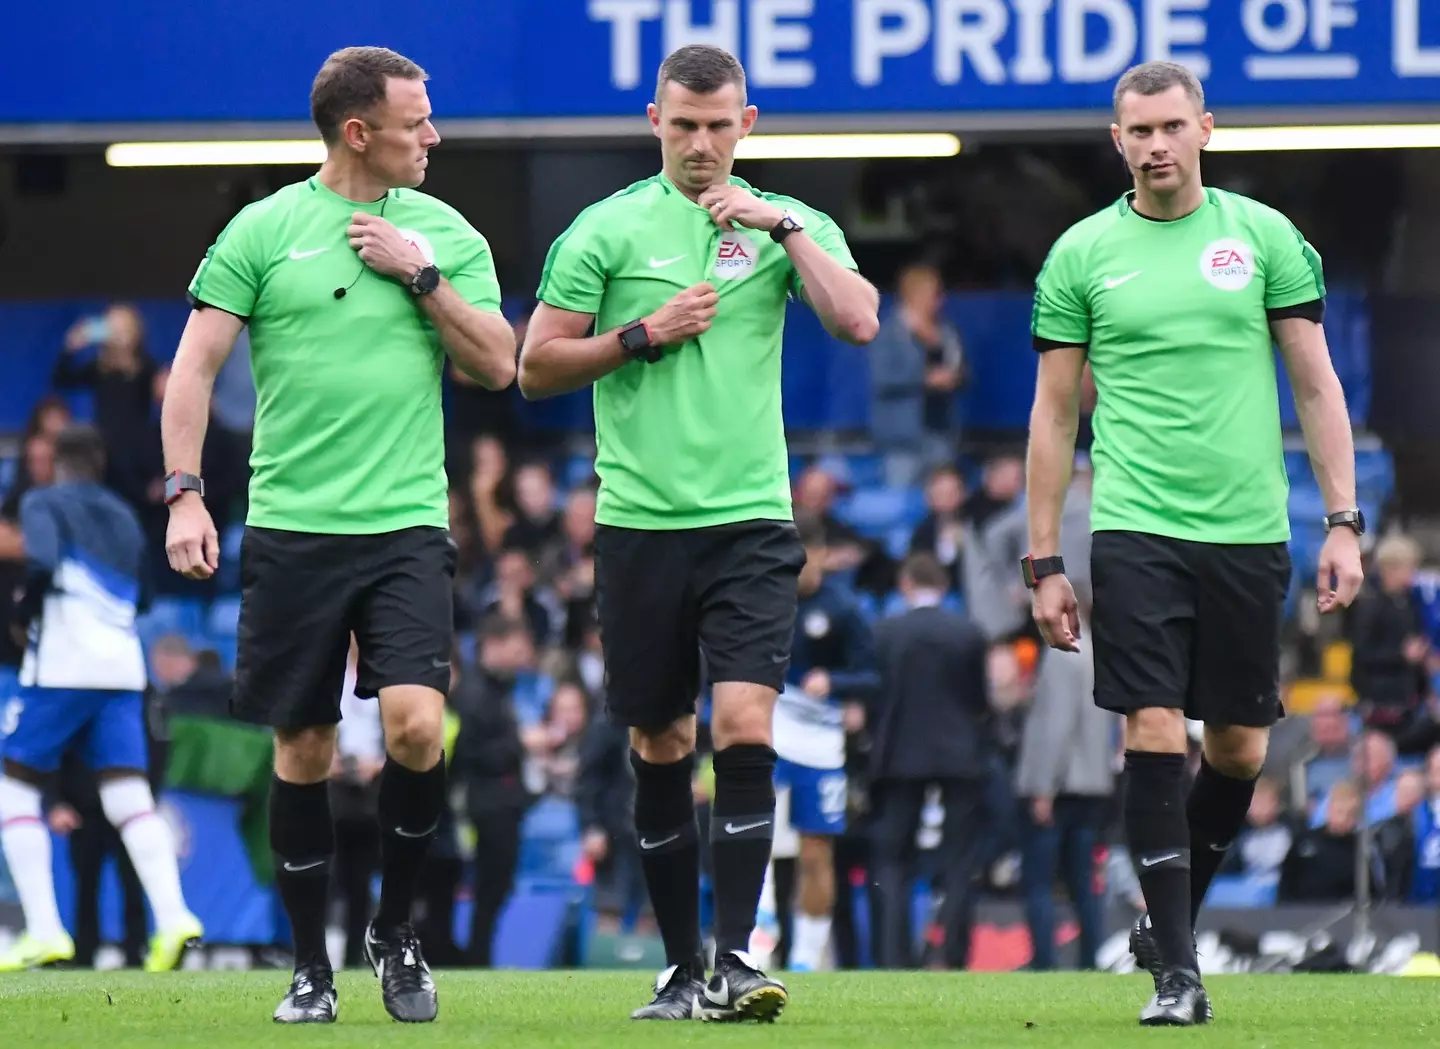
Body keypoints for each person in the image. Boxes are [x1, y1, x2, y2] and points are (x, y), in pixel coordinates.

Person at [518, 43, 878, 1022]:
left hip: (751, 522)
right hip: (639, 524)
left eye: (720, 126)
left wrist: (785, 224)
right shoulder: (606, 230)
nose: (703, 144)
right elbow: (533, 366)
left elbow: (858, 319)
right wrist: (642, 333)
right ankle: (682, 966)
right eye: (685, 126)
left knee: (744, 723)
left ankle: (734, 953)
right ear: (655, 121)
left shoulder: (781, 225)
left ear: (748, 124)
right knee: (661, 736)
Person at [159, 46, 515, 1024]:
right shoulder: (263, 231)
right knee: (305, 745)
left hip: (405, 523)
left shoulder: (444, 232)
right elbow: (189, 371)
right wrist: (185, 494)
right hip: (292, 528)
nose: (434, 137)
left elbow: (498, 363)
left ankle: (396, 932)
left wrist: (423, 275)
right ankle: (310, 965)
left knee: (411, 724)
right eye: (416, 122)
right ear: (358, 132)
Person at [1025, 60, 1364, 1026]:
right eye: (1141, 131)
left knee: (1244, 748)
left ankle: (1165, 919)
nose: (1158, 144)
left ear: (1205, 128)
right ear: (1118, 140)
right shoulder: (1081, 254)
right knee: (1153, 729)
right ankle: (1180, 971)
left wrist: (1343, 521)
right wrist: (1044, 558)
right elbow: (1053, 419)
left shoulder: (1264, 241)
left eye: (1174, 126)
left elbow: (1316, 384)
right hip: (1133, 527)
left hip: (1249, 530)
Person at [0, 425, 203, 972]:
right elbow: (146, 594)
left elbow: (40, 563)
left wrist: (23, 613)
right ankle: (176, 916)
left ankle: (43, 930)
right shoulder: (122, 514)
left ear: (56, 466)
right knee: (127, 796)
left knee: (12, 790)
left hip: (63, 666)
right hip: (121, 669)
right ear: (99, 464)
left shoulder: (42, 501)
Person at [751, 512, 878, 972]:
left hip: (821, 746)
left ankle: (807, 957)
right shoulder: (766, 601)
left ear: (822, 555)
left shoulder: (843, 609)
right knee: (755, 837)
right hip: (768, 735)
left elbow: (872, 676)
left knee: (816, 851)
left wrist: (838, 681)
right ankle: (760, 940)